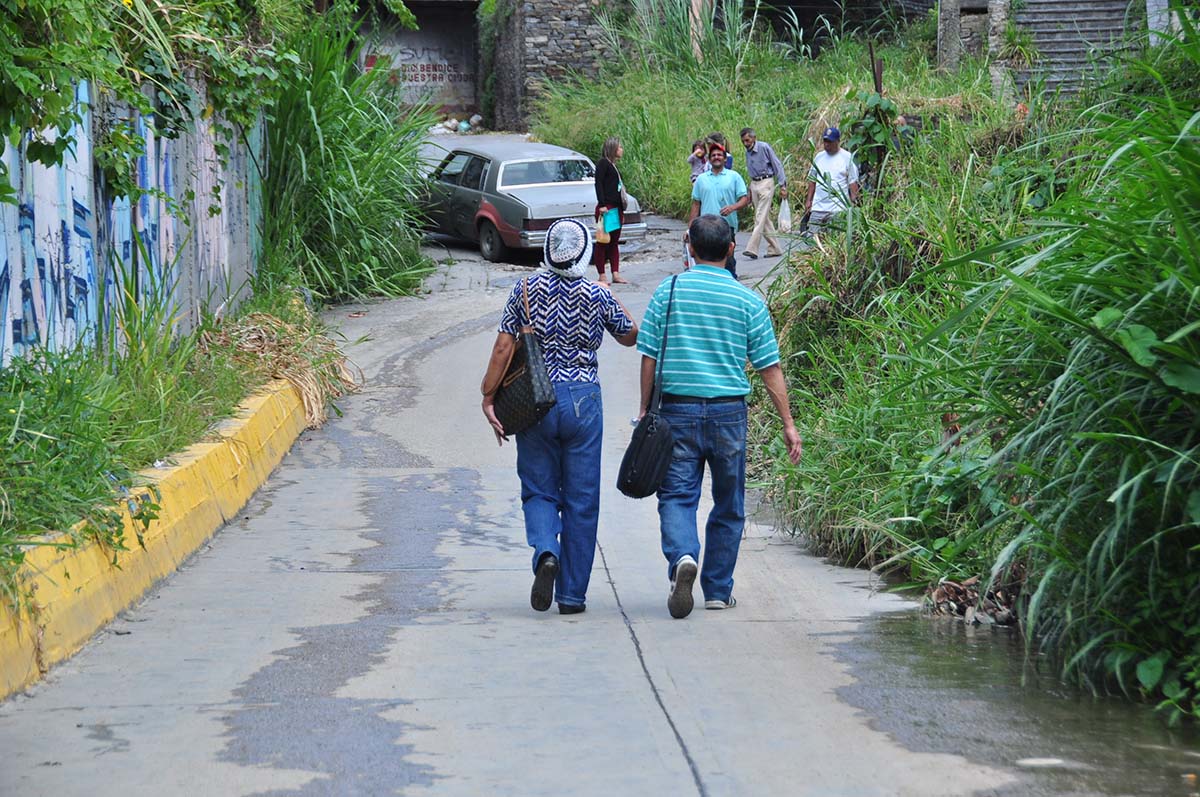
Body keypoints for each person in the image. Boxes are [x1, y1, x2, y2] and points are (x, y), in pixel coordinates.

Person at [637, 214, 804, 619]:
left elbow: (649, 357)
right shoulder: (748, 301)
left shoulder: (668, 291)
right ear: (731, 250)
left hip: (676, 409)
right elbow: (770, 368)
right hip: (730, 414)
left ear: (690, 248)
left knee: (677, 495)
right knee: (729, 502)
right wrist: (788, 423)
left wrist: (644, 410)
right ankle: (716, 589)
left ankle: (682, 559)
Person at [481, 218, 639, 615]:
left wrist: (488, 396)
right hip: (584, 399)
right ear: (584, 253)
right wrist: (607, 296)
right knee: (582, 500)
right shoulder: (595, 293)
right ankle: (572, 596)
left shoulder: (525, 289)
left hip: (535, 398)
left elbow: (503, 348)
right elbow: (629, 333)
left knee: (538, 489)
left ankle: (546, 551)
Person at [688, 142, 749, 278]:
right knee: (705, 262)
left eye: (719, 155)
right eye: (713, 155)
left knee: (728, 262)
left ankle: (732, 287)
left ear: (725, 159)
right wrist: (690, 228)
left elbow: (744, 199)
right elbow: (696, 204)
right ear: (709, 159)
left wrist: (732, 207)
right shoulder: (701, 179)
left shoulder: (734, 177)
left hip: (727, 227)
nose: (716, 157)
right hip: (705, 227)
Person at [739, 127, 787, 260]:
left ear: (754, 138)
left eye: (747, 140)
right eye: (743, 141)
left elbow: (777, 165)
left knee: (759, 216)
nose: (745, 143)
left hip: (766, 182)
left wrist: (783, 185)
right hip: (754, 184)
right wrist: (749, 190)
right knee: (764, 218)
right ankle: (775, 248)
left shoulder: (764, 147)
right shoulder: (747, 152)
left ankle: (752, 248)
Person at [804, 126, 860, 234]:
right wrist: (809, 201)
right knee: (813, 240)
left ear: (838, 142)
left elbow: (852, 183)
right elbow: (812, 180)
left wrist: (854, 203)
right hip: (818, 208)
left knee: (835, 241)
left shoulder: (847, 158)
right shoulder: (819, 157)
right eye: (825, 141)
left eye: (830, 142)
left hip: (838, 209)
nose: (826, 145)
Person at [594, 136, 628, 284]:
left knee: (614, 242)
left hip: (616, 208)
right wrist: (602, 204)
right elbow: (598, 184)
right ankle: (602, 274)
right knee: (603, 241)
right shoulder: (603, 164)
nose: (621, 150)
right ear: (613, 148)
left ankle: (615, 273)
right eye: (619, 147)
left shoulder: (613, 166)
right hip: (606, 208)